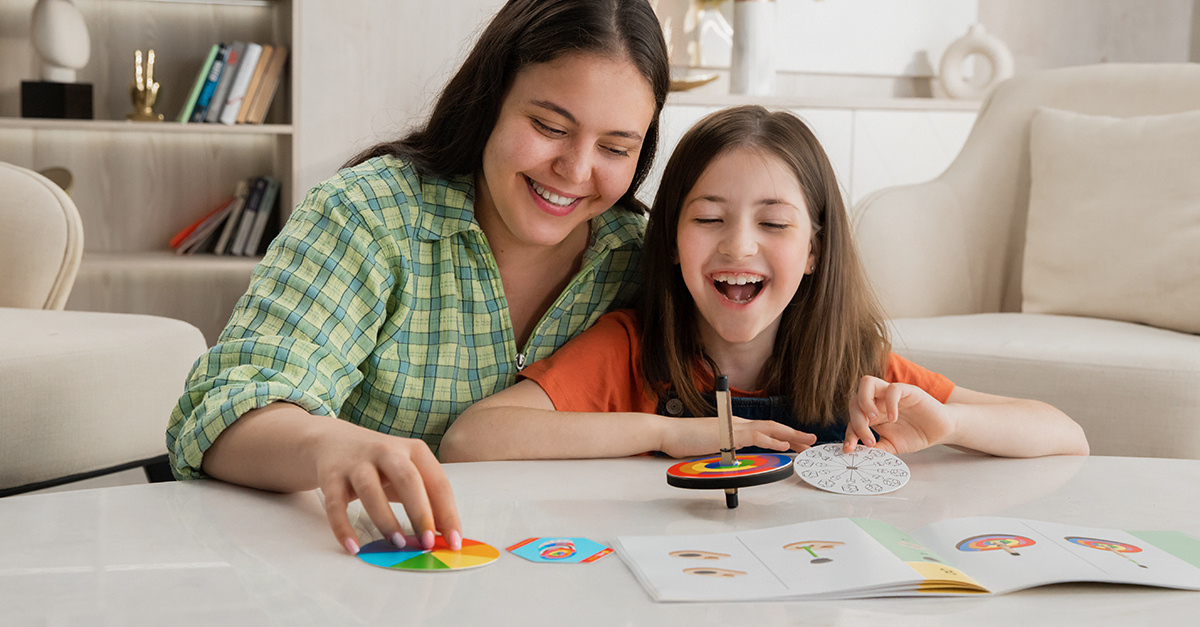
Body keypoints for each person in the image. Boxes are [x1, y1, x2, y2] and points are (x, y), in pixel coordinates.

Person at [165, 0, 670, 556]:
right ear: (490, 100)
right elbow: (223, 412)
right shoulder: (367, 216)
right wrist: (327, 445)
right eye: (549, 126)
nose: (575, 171)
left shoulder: (640, 261)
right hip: (357, 575)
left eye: (615, 148)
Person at [440, 106, 1089, 462]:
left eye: (773, 222)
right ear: (668, 240)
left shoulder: (850, 367)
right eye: (710, 218)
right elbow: (474, 438)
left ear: (814, 250)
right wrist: (669, 432)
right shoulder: (630, 350)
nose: (739, 245)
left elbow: (1064, 434)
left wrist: (946, 423)